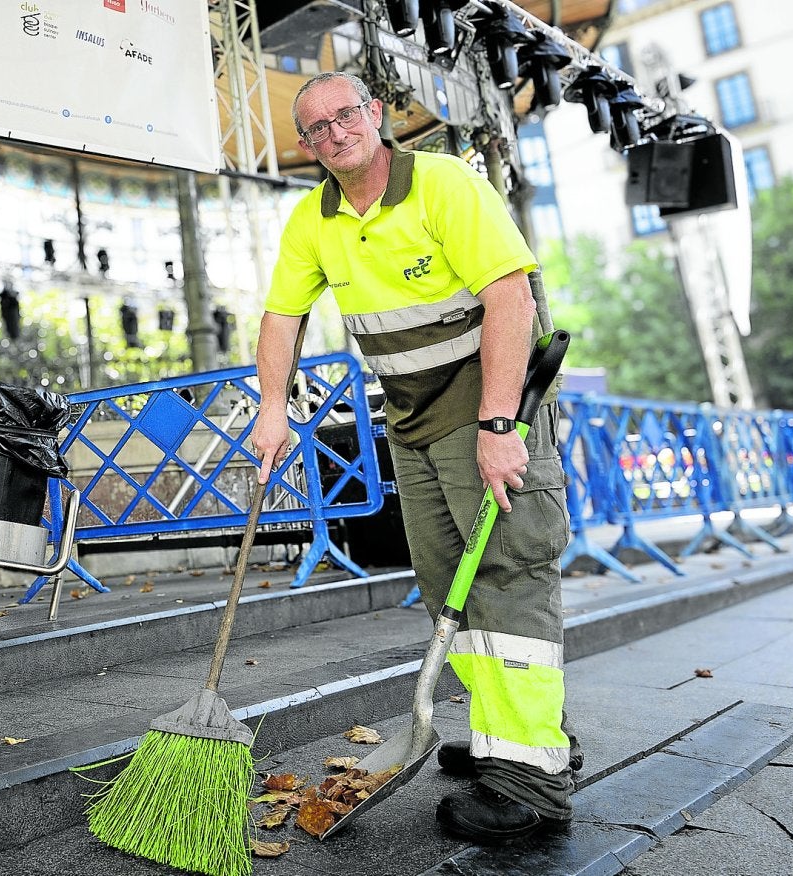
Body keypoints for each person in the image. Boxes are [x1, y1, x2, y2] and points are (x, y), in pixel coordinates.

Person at [251, 71, 580, 844]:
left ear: (375, 114)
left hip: (483, 396)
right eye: (317, 128)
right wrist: (272, 409)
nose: (335, 134)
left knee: (504, 572)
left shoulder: (443, 184)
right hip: (411, 414)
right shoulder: (314, 219)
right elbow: (281, 315)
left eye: (346, 116)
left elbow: (511, 296)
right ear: (305, 146)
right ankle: (520, 737)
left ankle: (531, 784)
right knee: (447, 584)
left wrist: (500, 423)